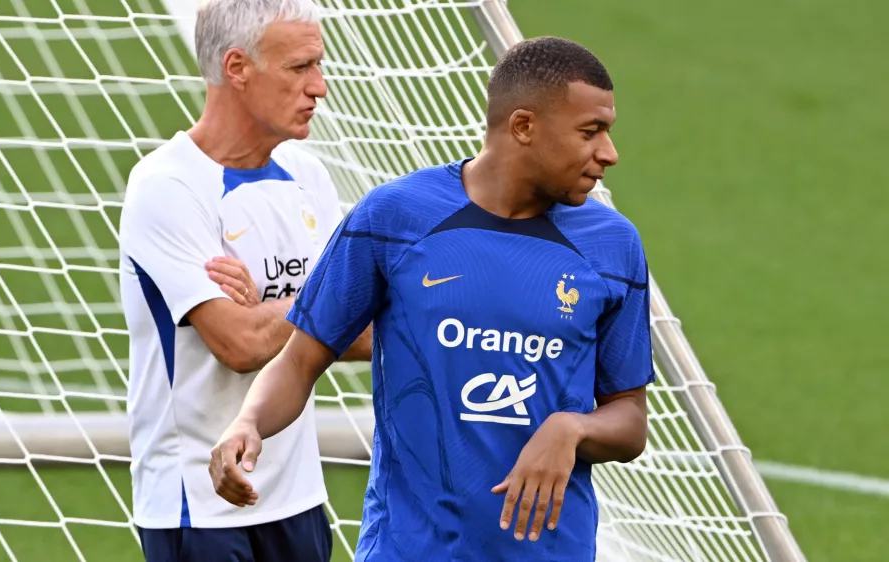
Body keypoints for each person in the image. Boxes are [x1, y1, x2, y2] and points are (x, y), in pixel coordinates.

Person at [208, 36, 655, 560]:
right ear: (523, 126)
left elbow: (630, 419)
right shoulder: (394, 218)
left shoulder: (612, 245)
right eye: (590, 132)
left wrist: (572, 428)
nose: (609, 153)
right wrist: (248, 423)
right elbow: (300, 359)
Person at [117, 0, 370, 560]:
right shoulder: (166, 186)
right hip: (198, 506)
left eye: (318, 65)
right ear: (237, 67)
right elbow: (241, 344)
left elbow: (366, 331)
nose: (320, 87)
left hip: (298, 499)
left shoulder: (309, 176)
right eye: (299, 67)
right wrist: (318, 306)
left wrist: (270, 308)